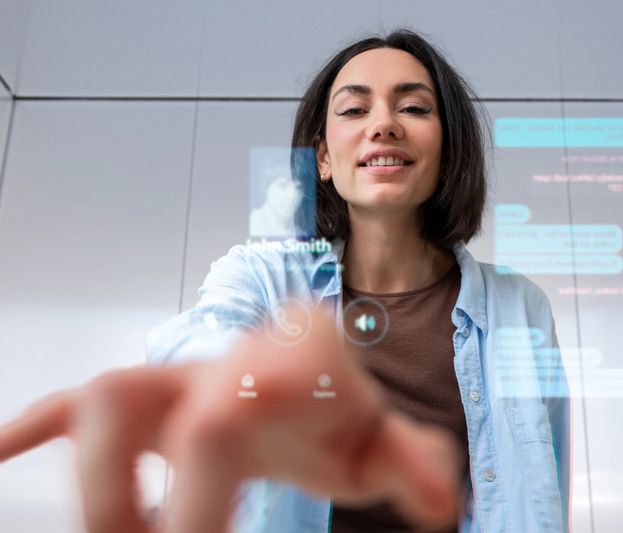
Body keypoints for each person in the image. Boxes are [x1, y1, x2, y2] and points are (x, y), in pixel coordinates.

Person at [0, 29, 570, 533]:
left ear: (447, 153)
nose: (384, 125)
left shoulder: (521, 308)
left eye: (414, 108)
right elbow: (208, 333)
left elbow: (546, 489)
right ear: (322, 159)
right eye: (352, 111)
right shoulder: (259, 278)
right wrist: (225, 380)